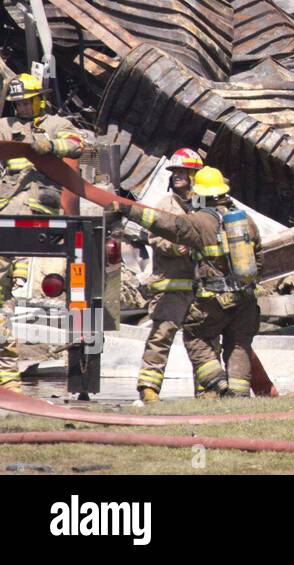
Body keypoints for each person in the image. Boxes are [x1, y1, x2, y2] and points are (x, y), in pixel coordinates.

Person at [116, 166, 261, 398]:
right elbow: (260, 260)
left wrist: (126, 207)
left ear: (200, 192)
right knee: (239, 345)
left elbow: (165, 224)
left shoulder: (199, 222)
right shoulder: (246, 221)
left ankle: (218, 385)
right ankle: (239, 397)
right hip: (245, 300)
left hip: (212, 299)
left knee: (197, 337)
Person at [0, 73, 86, 394]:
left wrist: (50, 145)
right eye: (17, 102)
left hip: (39, 204)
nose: (21, 107)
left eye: (26, 101)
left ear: (41, 99)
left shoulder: (55, 123)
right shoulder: (5, 125)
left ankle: (21, 265)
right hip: (7, 207)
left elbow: (79, 147)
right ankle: (7, 375)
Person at [135, 148, 204, 403]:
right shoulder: (166, 205)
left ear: (195, 174)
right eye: (174, 172)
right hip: (172, 287)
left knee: (202, 341)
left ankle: (205, 390)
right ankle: (148, 388)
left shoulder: (204, 203)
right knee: (161, 335)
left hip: (201, 287)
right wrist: (177, 247)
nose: (177, 176)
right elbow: (154, 238)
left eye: (182, 171)